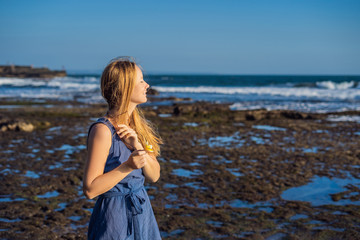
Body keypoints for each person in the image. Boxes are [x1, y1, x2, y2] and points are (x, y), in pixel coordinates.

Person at [83, 57, 162, 239]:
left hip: (143, 214)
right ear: (125, 87)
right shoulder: (102, 131)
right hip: (114, 219)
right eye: (141, 81)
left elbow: (155, 175)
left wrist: (139, 146)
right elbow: (90, 189)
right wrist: (127, 166)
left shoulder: (141, 129)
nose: (147, 85)